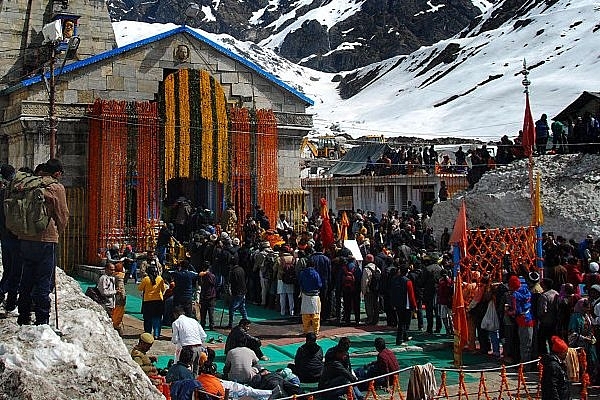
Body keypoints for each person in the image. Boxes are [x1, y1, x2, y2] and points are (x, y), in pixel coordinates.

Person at [16, 159, 69, 326]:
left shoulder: (28, 183)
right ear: (58, 173)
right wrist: (57, 232)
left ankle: (23, 316)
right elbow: (62, 215)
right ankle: (42, 320)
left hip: (25, 238)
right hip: (46, 239)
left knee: (26, 278)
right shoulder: (56, 187)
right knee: (43, 281)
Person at [0, 163, 19, 313]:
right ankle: (8, 299)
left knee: (9, 270)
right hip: (14, 236)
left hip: (5, 236)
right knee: (15, 271)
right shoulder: (13, 193)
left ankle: (9, 300)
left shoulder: (3, 193)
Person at [171, 305, 207, 375]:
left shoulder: (176, 323)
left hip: (188, 349)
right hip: (199, 347)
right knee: (195, 370)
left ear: (175, 314)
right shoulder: (193, 320)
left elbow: (175, 340)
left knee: (186, 369)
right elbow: (204, 336)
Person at [138, 264, 168, 339]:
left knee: (147, 318)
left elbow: (140, 288)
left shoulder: (146, 279)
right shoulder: (160, 278)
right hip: (158, 301)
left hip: (148, 301)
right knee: (157, 318)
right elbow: (163, 289)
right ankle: (156, 334)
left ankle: (148, 333)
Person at [390, 265, 417, 345]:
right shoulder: (408, 281)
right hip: (406, 305)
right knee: (403, 323)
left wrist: (393, 303)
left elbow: (392, 292)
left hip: (397, 304)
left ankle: (405, 337)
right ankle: (399, 340)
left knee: (401, 321)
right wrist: (414, 306)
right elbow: (411, 295)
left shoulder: (394, 279)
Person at [541, 336, 571, 400]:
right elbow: (552, 387)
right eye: (565, 352)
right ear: (561, 353)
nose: (566, 354)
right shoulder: (553, 366)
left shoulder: (559, 364)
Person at [298, 257, 322, 336]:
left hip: (305, 296)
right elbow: (319, 284)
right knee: (316, 315)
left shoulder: (302, 273)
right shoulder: (316, 273)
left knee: (305, 316)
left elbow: (300, 283)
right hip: (315, 296)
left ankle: (305, 331)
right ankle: (316, 332)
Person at [228, 263, 248, 328]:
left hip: (237, 292)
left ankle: (230, 324)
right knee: (242, 307)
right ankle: (246, 321)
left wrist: (231, 292)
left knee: (232, 308)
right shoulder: (241, 269)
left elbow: (232, 282)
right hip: (243, 290)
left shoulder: (233, 272)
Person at [199, 261, 217, 330]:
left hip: (204, 295)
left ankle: (203, 325)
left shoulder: (202, 275)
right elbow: (215, 283)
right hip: (211, 296)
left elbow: (200, 283)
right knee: (210, 312)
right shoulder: (211, 275)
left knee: (203, 312)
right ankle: (211, 325)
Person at [112, 262, 127, 335]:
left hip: (115, 298)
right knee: (118, 314)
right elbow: (121, 289)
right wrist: (123, 297)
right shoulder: (120, 277)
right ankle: (116, 326)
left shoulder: (114, 276)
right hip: (120, 299)